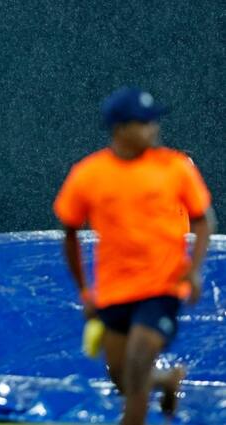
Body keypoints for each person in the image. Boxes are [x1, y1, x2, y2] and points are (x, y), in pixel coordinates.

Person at [53, 87, 216, 425]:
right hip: (114, 290)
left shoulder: (176, 167)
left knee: (138, 364)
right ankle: (166, 380)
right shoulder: (89, 174)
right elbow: (68, 231)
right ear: (119, 128)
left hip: (162, 287)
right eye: (143, 122)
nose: (152, 128)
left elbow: (203, 220)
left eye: (153, 121)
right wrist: (85, 291)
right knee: (123, 378)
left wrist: (194, 269)